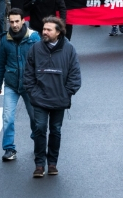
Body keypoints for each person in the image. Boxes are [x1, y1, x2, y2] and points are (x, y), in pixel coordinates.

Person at [24, 16, 81, 177]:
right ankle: (39, 165)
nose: (44, 32)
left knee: (55, 131)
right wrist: (33, 92)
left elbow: (75, 75)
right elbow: (28, 74)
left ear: (58, 32)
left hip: (59, 99)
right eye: (44, 29)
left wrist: (67, 92)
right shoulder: (35, 48)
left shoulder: (69, 49)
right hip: (39, 99)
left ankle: (52, 163)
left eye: (49, 29)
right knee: (40, 129)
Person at [0, 8, 40, 162]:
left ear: (23, 21)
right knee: (7, 117)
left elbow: (41, 62)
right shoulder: (5, 40)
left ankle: (37, 141)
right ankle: (9, 149)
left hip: (30, 85)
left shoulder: (34, 38)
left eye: (16, 21)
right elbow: (0, 64)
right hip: (11, 85)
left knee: (34, 117)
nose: (14, 25)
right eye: (11, 21)